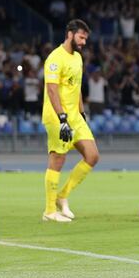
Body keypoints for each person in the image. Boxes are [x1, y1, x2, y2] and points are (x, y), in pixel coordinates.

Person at [41, 19, 100, 222]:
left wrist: (82, 115)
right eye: (81, 37)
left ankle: (62, 196)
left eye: (85, 38)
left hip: (75, 117)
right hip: (57, 116)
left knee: (92, 156)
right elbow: (51, 89)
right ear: (70, 34)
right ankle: (49, 211)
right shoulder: (55, 58)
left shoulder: (78, 58)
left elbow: (76, 90)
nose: (83, 42)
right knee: (58, 158)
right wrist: (62, 118)